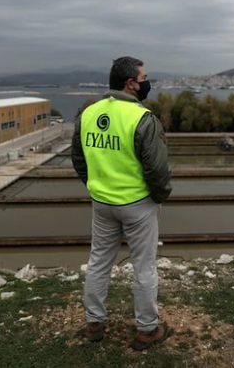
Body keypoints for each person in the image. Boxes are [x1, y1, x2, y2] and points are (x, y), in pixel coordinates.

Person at [71, 56, 172, 351]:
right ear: (130, 84)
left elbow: (79, 159)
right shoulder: (142, 118)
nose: (146, 83)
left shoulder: (88, 114)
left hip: (102, 204)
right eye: (144, 78)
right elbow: (158, 169)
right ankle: (146, 330)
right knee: (144, 267)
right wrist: (159, 197)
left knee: (99, 262)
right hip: (138, 204)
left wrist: (96, 186)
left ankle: (94, 324)